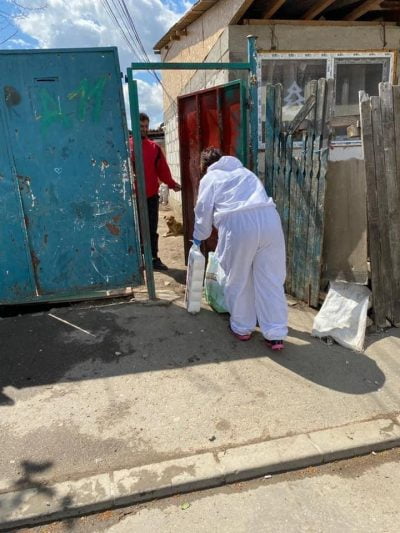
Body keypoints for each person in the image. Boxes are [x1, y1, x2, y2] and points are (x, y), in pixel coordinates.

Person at [193, 147, 288, 351]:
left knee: (238, 278)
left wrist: (198, 237)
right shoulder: (246, 172)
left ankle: (243, 327)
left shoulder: (210, 178)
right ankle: (276, 333)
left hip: (239, 225)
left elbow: (202, 211)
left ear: (204, 165)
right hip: (270, 220)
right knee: (271, 279)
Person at [130, 112, 181, 271]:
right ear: (134, 126)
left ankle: (153, 258)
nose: (144, 129)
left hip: (151, 197)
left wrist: (172, 184)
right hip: (132, 199)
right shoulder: (126, 147)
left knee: (151, 229)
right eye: (141, 126)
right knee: (134, 230)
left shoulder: (154, 148)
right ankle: (137, 260)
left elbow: (162, 170)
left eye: (146, 126)